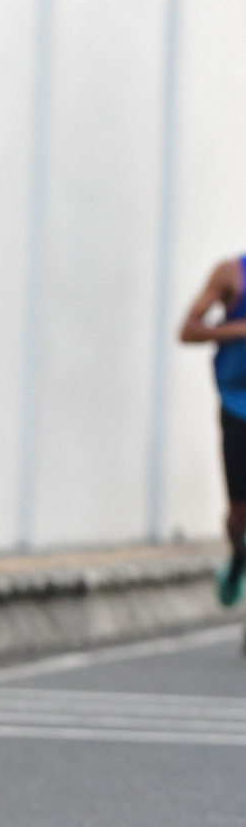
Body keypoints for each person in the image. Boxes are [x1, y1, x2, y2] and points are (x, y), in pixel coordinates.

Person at [179, 255, 246, 605]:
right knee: (238, 516)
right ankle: (238, 558)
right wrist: (235, 330)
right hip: (238, 408)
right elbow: (187, 331)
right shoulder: (231, 274)